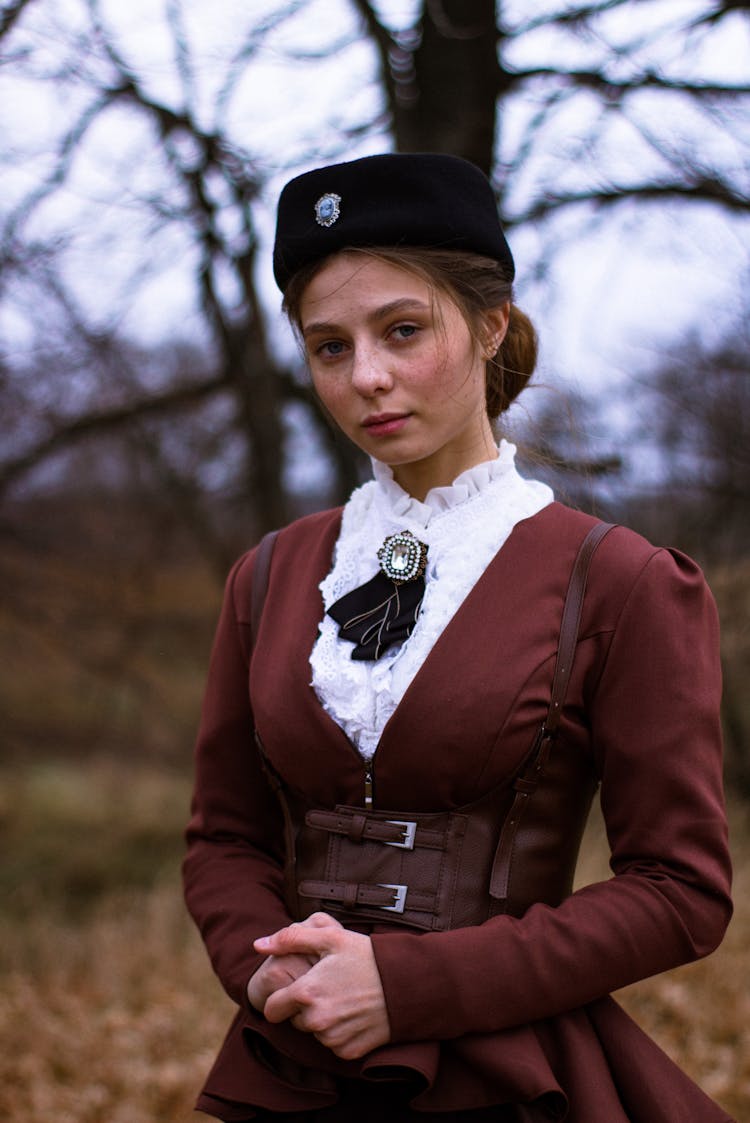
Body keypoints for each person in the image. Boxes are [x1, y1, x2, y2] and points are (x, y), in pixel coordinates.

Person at [183, 153, 734, 1123]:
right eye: (329, 346)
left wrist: (411, 986)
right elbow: (224, 835)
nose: (368, 377)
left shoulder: (621, 583)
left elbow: (680, 889)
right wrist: (266, 969)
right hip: (294, 1068)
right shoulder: (268, 578)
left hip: (505, 1076)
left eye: (403, 330)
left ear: (490, 326)